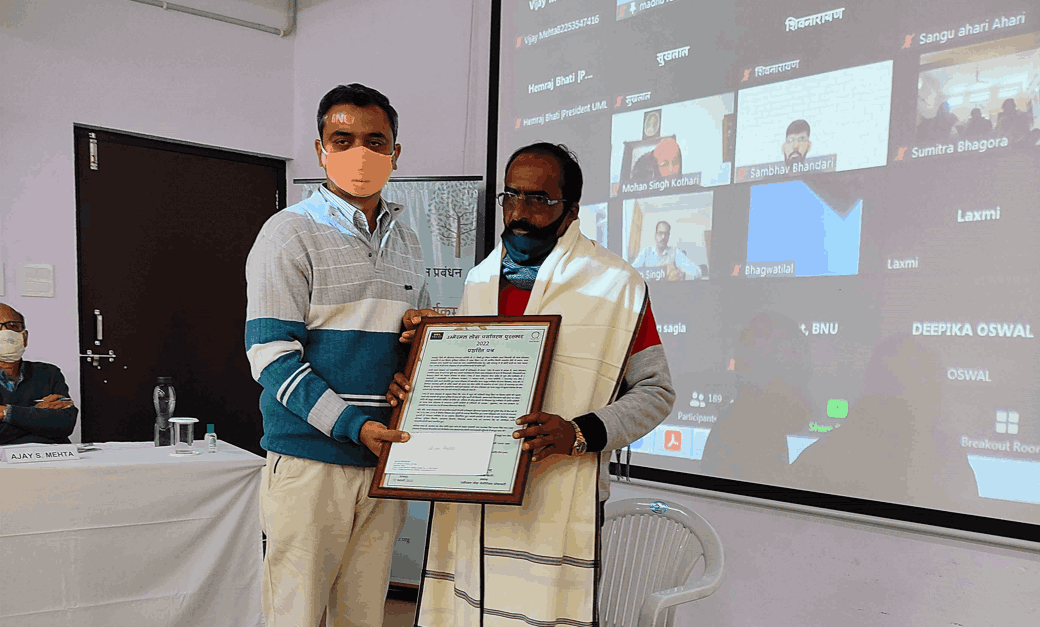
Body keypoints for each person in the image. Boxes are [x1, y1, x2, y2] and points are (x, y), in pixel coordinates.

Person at [389, 142, 675, 627]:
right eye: (511, 196)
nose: (519, 212)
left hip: (557, 500)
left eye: (539, 199)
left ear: (571, 210)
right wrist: (418, 387)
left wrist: (578, 432)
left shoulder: (616, 286)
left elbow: (656, 392)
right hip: (474, 500)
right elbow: (471, 384)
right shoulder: (480, 280)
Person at [244, 83, 437, 627]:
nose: (360, 153)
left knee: (364, 617)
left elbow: (407, 341)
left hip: (383, 461)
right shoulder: (288, 233)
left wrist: (414, 357)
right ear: (320, 150)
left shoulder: (407, 241)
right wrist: (354, 425)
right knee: (295, 615)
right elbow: (271, 355)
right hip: (311, 463)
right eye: (343, 140)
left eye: (376, 142)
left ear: (395, 153)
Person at [0, 303, 77, 445]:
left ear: (25, 337)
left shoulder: (48, 372)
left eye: (13, 326)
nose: (6, 333)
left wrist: (6, 413)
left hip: (52, 454)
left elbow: (66, 423)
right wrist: (36, 413)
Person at [631, 220, 703, 280]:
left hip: (669, 290)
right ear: (655, 235)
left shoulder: (675, 252)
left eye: (666, 234)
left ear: (669, 236)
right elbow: (630, 273)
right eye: (660, 233)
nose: (663, 237)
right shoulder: (645, 252)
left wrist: (683, 275)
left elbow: (697, 271)